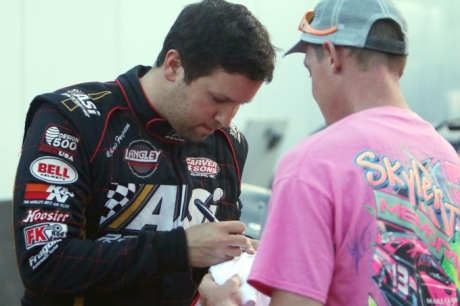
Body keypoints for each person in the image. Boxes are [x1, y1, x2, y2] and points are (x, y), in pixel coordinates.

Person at [12, 0, 276, 305]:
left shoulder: (228, 142)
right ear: (174, 66)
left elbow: (213, 263)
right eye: (218, 98)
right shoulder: (74, 119)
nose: (226, 119)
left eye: (238, 105)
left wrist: (240, 264)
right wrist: (179, 248)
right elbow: (44, 263)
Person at [199, 0, 460, 305]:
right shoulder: (448, 161)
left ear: (333, 56)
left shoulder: (313, 164)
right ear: (398, 64)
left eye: (311, 70)